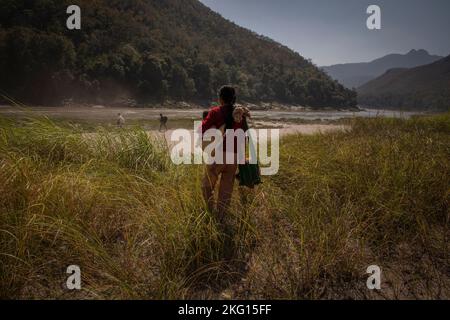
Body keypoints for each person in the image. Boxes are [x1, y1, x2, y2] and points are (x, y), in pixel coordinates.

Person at [201, 86, 249, 223]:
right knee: (225, 192)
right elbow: (243, 137)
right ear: (234, 98)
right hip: (233, 157)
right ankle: (221, 220)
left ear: (220, 98)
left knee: (206, 187)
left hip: (218, 156)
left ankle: (209, 215)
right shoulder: (241, 114)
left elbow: (203, 130)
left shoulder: (215, 112)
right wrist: (241, 157)